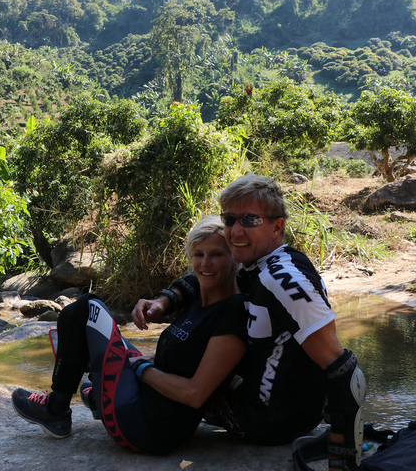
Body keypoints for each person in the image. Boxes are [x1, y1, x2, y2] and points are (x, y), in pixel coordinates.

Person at [133, 174, 366, 471]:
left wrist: (341, 455)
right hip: (288, 410)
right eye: (229, 219)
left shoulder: (281, 280)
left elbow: (343, 369)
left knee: (179, 358)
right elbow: (208, 276)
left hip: (265, 423)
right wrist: (165, 301)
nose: (235, 230)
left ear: (277, 225)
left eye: (250, 219)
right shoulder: (261, 263)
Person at [11, 216, 248, 454]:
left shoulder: (233, 312)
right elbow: (182, 356)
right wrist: (139, 356)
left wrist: (137, 368)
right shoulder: (203, 292)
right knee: (103, 341)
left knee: (86, 306)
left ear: (234, 259)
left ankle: (56, 409)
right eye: (199, 254)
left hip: (145, 428)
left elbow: (194, 394)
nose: (205, 263)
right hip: (148, 409)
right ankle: (95, 398)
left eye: (216, 254)